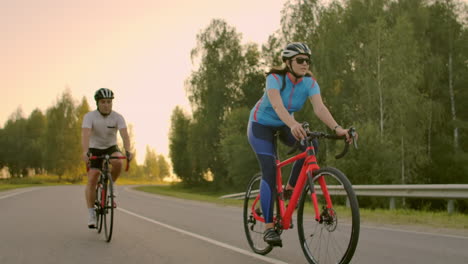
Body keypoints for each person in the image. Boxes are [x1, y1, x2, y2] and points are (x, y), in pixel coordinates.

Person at [247, 42, 357, 246]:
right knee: (269, 171)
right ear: (288, 62)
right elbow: (278, 106)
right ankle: (270, 229)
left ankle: (289, 189)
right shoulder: (274, 79)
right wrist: (293, 123)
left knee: (311, 144)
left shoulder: (309, 83)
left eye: (307, 60)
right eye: (300, 60)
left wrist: (338, 128)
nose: (305, 64)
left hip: (286, 124)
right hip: (260, 126)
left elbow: (320, 108)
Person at [81, 88, 133, 229]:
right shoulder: (90, 117)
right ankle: (91, 214)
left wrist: (128, 150)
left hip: (111, 147)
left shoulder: (118, 117)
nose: (106, 105)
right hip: (94, 148)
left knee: (118, 162)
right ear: (97, 103)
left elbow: (125, 135)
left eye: (109, 102)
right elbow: (85, 135)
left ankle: (111, 185)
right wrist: (85, 151)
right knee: (92, 178)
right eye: (103, 102)